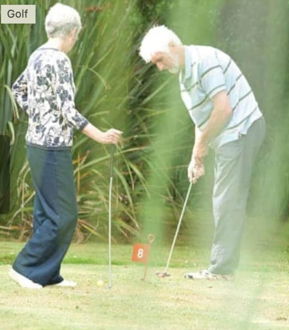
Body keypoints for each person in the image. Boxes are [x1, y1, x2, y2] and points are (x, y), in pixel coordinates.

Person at [9, 3, 122, 289]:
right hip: (51, 147)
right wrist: (100, 135)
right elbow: (68, 109)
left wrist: (37, 115)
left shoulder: (37, 55)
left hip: (36, 144)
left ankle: (48, 273)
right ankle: (26, 268)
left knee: (47, 212)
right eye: (76, 35)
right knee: (64, 214)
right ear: (72, 32)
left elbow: (19, 89)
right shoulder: (59, 60)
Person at [139, 26, 265, 280]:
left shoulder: (204, 62)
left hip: (242, 128)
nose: (160, 68)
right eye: (155, 64)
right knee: (225, 198)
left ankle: (221, 270)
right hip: (229, 135)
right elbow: (202, 122)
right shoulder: (185, 77)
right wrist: (196, 158)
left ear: (173, 46)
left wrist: (201, 146)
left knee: (227, 200)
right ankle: (223, 267)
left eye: (160, 60)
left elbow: (223, 110)